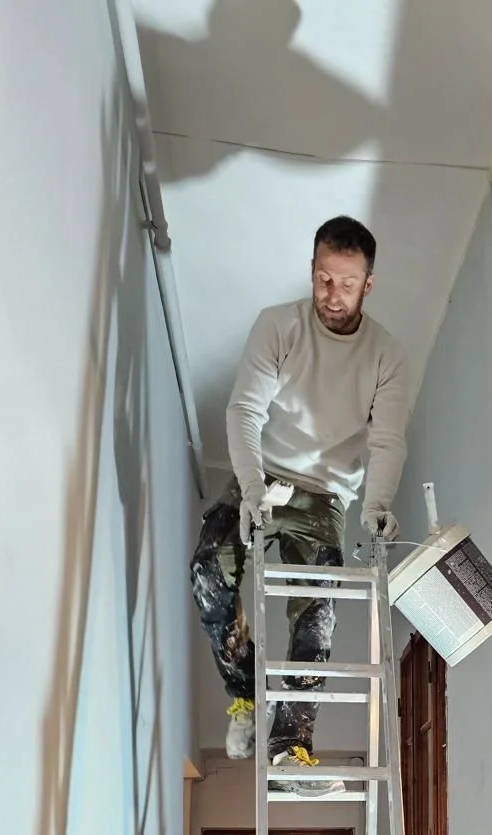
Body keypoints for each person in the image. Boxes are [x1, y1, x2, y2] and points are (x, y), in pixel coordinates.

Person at [190, 215, 410, 791]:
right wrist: (251, 488)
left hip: (325, 494)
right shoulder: (279, 326)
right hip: (260, 474)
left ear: (368, 283)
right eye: (322, 278)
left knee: (317, 606)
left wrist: (377, 504)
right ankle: (245, 695)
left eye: (345, 282)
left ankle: (290, 750)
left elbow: (386, 440)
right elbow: (244, 411)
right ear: (312, 271)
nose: (330, 295)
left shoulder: (387, 356)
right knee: (209, 568)